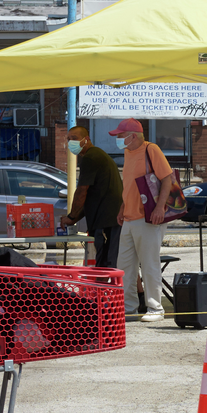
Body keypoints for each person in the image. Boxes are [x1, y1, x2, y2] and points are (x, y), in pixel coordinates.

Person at [113, 118, 173, 321]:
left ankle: (156, 308)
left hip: (148, 217)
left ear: (132, 136)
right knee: (125, 266)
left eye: (121, 136)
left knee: (149, 263)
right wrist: (122, 207)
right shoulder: (128, 152)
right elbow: (129, 185)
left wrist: (159, 208)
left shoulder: (151, 149)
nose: (118, 139)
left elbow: (167, 179)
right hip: (130, 218)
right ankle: (128, 308)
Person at [61, 126, 122, 276]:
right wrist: (74, 217)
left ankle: (103, 298)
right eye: (68, 139)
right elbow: (90, 197)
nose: (70, 142)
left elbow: (82, 191)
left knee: (105, 265)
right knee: (114, 261)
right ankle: (138, 296)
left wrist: (71, 217)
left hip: (106, 221)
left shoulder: (90, 157)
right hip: (110, 219)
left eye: (74, 138)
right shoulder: (99, 155)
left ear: (86, 139)